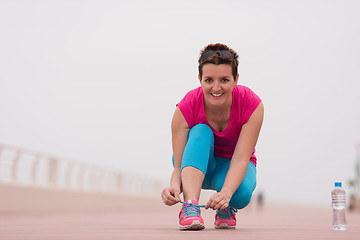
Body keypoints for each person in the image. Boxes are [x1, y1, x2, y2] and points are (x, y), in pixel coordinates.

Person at [161, 43, 264, 230]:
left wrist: (226, 194)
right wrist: (174, 187)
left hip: (231, 165)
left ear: (236, 79)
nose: (216, 88)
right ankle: (191, 207)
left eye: (224, 80)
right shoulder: (186, 106)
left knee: (239, 195)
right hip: (197, 165)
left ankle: (226, 208)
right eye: (209, 80)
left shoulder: (251, 104)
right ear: (200, 79)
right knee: (201, 130)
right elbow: (178, 164)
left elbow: (241, 159)